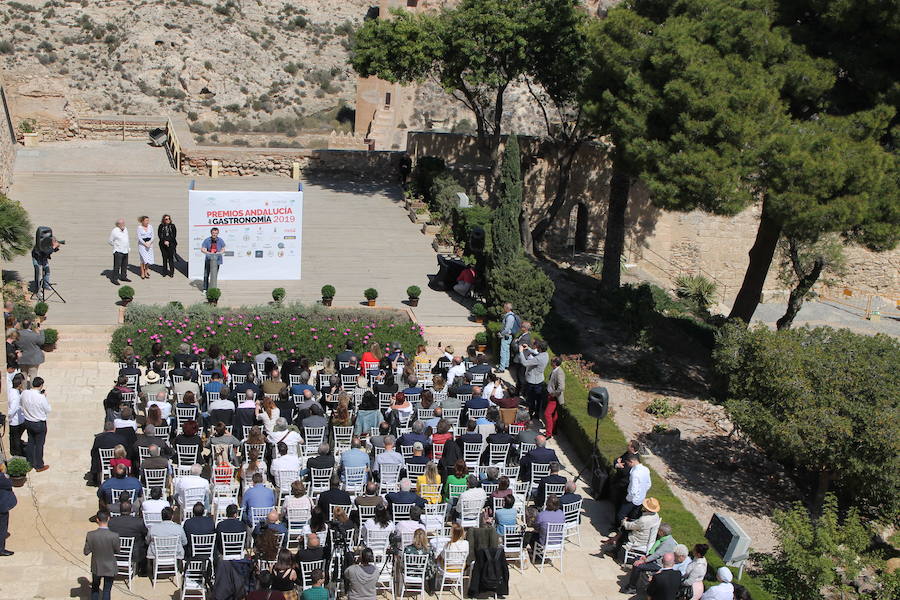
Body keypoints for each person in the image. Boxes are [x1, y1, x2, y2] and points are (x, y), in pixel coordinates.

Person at [83, 511, 120, 600]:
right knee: (107, 590)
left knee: (95, 588)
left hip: (97, 566)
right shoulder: (114, 536)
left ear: (97, 520)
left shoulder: (90, 535)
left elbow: (86, 551)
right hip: (110, 566)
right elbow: (117, 551)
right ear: (108, 519)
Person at [21, 376, 51, 471]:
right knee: (39, 444)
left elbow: (21, 402)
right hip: (39, 423)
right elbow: (48, 409)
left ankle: (29, 464)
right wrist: (44, 397)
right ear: (41, 385)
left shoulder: (25, 393)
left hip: (28, 421)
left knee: (31, 442)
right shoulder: (41, 397)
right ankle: (39, 465)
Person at [519, 340, 549, 420]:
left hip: (533, 381)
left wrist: (521, 352)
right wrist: (528, 348)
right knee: (538, 399)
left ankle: (530, 415)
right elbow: (537, 353)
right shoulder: (546, 354)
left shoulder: (538, 358)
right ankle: (537, 413)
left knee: (531, 399)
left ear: (539, 348)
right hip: (540, 380)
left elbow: (525, 363)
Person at [618, 453, 652, 522]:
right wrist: (642, 492)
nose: (628, 465)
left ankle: (618, 530)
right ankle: (627, 531)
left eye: (628, 463)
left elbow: (633, 490)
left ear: (632, 461)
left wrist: (628, 499)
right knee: (633, 517)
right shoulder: (646, 469)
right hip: (641, 499)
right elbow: (649, 484)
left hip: (632, 499)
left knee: (620, 515)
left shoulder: (635, 473)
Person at [495, 303, 519, 374]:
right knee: (506, 351)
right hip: (508, 336)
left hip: (506, 336)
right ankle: (506, 364)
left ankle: (501, 368)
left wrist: (500, 334)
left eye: (504, 307)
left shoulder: (509, 317)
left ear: (507, 308)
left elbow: (507, 328)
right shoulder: (510, 315)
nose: (503, 308)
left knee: (503, 351)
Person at [544, 356, 565, 438]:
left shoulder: (559, 372)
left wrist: (554, 394)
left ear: (555, 363)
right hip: (551, 395)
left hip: (554, 397)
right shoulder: (555, 370)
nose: (550, 362)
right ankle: (554, 430)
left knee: (547, 414)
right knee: (554, 414)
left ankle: (548, 433)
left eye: (552, 361)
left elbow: (561, 387)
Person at [6, 373, 26, 457]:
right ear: (20, 384)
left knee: (14, 438)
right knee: (16, 438)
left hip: (14, 421)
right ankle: (17, 454)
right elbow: (12, 410)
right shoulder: (15, 396)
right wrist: (9, 418)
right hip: (15, 421)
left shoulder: (11, 391)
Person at [200, 227, 224, 291]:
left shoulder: (220, 240)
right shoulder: (207, 240)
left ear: (218, 233)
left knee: (214, 275)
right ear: (211, 233)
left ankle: (213, 288)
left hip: (217, 260)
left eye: (216, 233)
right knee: (206, 274)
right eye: (213, 233)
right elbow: (202, 249)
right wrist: (208, 253)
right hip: (208, 259)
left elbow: (223, 248)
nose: (214, 234)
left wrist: (219, 252)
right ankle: (205, 289)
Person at [0, 465, 17, 556]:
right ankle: (0, 549)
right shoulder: (1, 478)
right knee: (2, 528)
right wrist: (6, 475)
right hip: (1, 507)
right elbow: (10, 483)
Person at [108, 218, 131, 284]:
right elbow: (110, 241)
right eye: (122, 223)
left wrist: (128, 248)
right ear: (118, 225)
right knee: (117, 266)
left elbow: (127, 239)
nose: (124, 224)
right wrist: (116, 246)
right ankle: (114, 279)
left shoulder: (125, 229)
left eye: (124, 223)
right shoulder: (115, 231)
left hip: (125, 250)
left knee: (124, 265)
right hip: (118, 251)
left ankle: (123, 277)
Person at [135, 215, 155, 279]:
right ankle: (142, 272)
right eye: (146, 220)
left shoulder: (150, 226)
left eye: (148, 220)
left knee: (148, 259)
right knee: (143, 259)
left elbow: (153, 236)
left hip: (149, 244)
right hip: (142, 245)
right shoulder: (139, 228)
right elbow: (139, 237)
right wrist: (144, 244)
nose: (147, 222)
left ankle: (146, 271)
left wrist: (149, 243)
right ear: (142, 221)